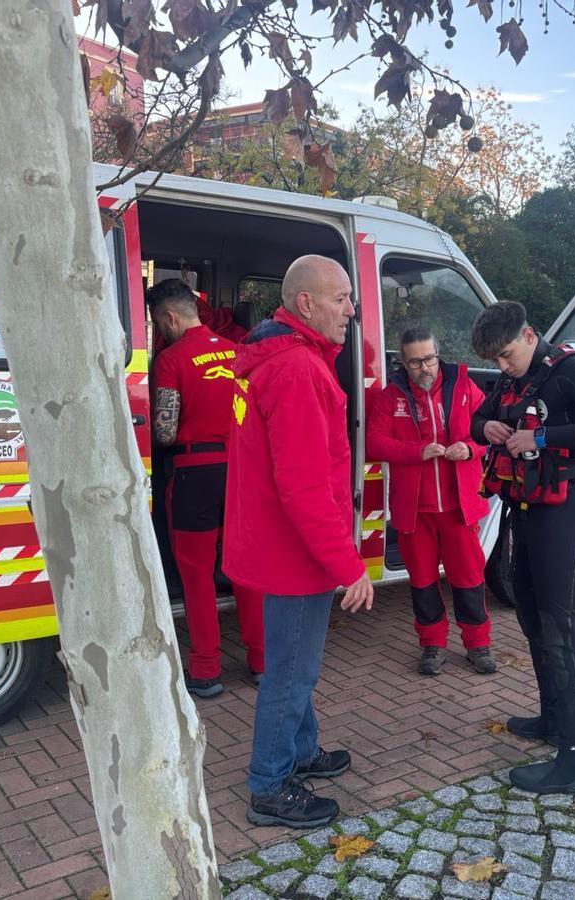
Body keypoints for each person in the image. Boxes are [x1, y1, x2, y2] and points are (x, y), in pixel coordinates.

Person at [222, 254, 373, 829]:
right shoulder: (298, 370)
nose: (351, 310)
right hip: (295, 556)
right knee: (290, 672)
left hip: (275, 546)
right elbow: (307, 486)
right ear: (305, 304)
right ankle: (269, 784)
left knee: (294, 663)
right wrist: (348, 565)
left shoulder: (273, 359)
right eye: (341, 298)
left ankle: (302, 751)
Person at [469, 301, 575, 794]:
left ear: (528, 333)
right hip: (524, 512)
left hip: (561, 514)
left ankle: (573, 763)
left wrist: (542, 435)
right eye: (493, 361)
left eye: (504, 356)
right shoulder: (512, 379)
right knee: (530, 619)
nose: (501, 367)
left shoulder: (572, 372)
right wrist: (489, 429)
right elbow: (478, 420)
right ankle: (551, 719)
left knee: (562, 631)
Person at [147, 279, 265, 698]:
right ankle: (259, 661)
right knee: (245, 568)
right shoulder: (237, 352)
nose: (162, 331)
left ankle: (205, 670)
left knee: (196, 575)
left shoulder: (172, 358)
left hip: (195, 474)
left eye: (160, 323)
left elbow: (163, 431)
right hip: (240, 473)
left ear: (170, 317)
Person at [366, 328, 497, 677]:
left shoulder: (464, 388)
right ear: (403, 363)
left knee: (468, 578)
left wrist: (470, 448)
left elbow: (491, 433)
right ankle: (432, 645)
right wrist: (417, 452)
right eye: (415, 362)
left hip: (460, 506)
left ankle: (477, 643)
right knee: (422, 581)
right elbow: (375, 444)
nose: (425, 368)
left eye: (430, 359)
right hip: (415, 510)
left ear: (439, 355)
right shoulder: (388, 396)